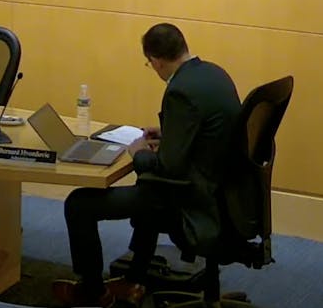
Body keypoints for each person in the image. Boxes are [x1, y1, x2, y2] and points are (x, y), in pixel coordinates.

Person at [53, 24, 241, 308]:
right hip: (226, 191)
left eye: (149, 64)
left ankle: (93, 294)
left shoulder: (180, 90)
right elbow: (211, 131)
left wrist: (139, 153)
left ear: (156, 61)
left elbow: (169, 169)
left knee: (80, 204)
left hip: (193, 198)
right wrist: (169, 135)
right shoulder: (214, 74)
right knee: (148, 188)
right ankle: (134, 279)